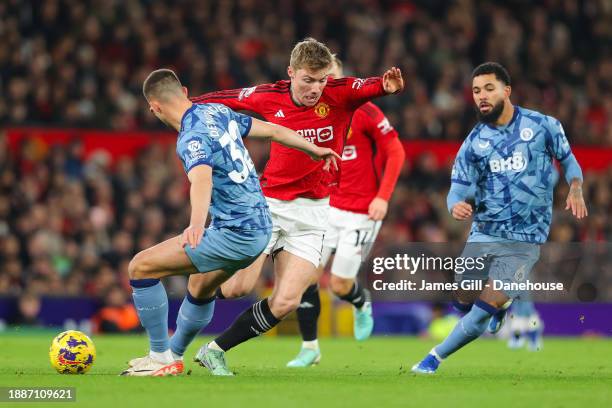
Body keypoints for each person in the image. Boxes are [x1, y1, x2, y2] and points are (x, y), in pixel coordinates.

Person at [178, 38, 404, 376]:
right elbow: (226, 99)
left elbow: (368, 87)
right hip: (266, 205)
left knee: (285, 302)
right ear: (291, 73)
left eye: (322, 80)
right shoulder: (270, 95)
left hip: (314, 213)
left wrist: (385, 87)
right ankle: (194, 290)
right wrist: (186, 103)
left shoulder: (340, 93)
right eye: (308, 80)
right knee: (238, 287)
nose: (316, 88)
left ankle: (215, 350)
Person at [122, 68, 339, 377]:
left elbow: (201, 179)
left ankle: (159, 356)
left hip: (236, 233)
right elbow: (275, 131)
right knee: (201, 286)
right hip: (261, 226)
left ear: (154, 107)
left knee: (140, 267)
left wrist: (196, 223)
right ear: (184, 91)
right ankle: (175, 356)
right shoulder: (217, 111)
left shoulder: (190, 137)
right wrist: (314, 149)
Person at [412, 62, 587, 374]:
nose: (482, 95)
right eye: (477, 90)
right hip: (484, 232)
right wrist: (455, 206)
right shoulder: (474, 143)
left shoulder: (543, 125)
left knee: (483, 309)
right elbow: (457, 190)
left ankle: (432, 359)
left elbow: (569, 161)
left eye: (489, 88)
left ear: (506, 90)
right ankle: (502, 307)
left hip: (526, 238)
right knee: (464, 299)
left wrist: (575, 186)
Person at [287, 56, 406, 367]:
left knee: (339, 285)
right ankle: (310, 348)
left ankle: (359, 300)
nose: (325, 86)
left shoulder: (364, 110)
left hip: (361, 211)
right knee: (304, 279)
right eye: (318, 80)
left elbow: (395, 151)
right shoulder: (308, 115)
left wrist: (383, 197)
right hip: (322, 208)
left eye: (330, 79)